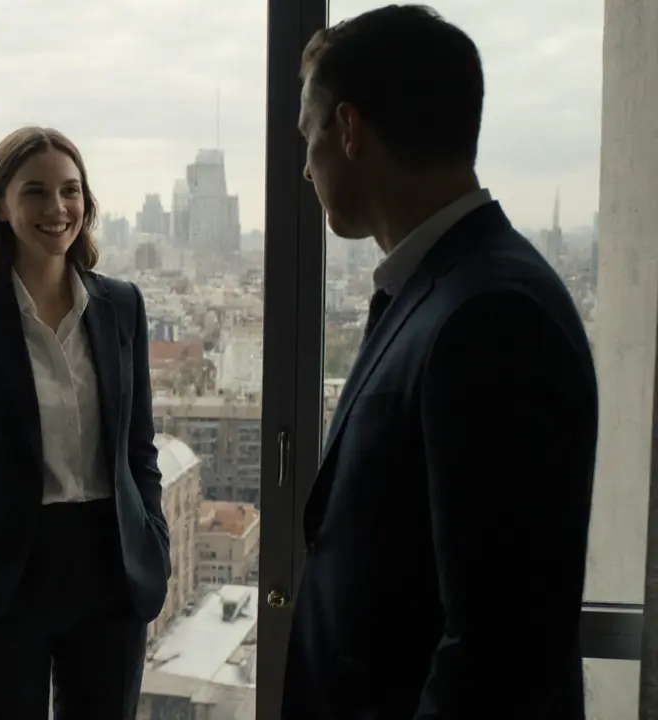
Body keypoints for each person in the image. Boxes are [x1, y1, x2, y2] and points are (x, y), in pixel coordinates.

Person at [284, 5, 598, 719]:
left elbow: (500, 647)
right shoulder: (451, 288)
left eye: (309, 136)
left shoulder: (490, 316)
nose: (305, 167)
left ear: (351, 130)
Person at [0, 126, 170, 719]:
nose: (57, 209)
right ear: (0, 205)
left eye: (71, 191)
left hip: (111, 566)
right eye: (35, 192)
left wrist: (153, 535)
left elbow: (138, 446)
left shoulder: (122, 305)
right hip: (4, 573)